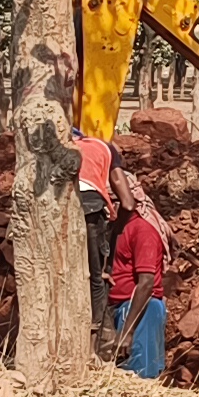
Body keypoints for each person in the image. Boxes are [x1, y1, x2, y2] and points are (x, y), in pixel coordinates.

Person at [74, 129, 134, 350]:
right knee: (96, 278)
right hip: (91, 210)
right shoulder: (104, 148)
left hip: (56, 211)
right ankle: (91, 348)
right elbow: (128, 204)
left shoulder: (50, 145)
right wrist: (114, 232)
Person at [108, 200, 169, 380]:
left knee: (140, 376)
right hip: (122, 308)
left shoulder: (142, 230)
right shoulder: (118, 228)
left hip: (141, 310)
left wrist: (127, 332)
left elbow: (146, 283)